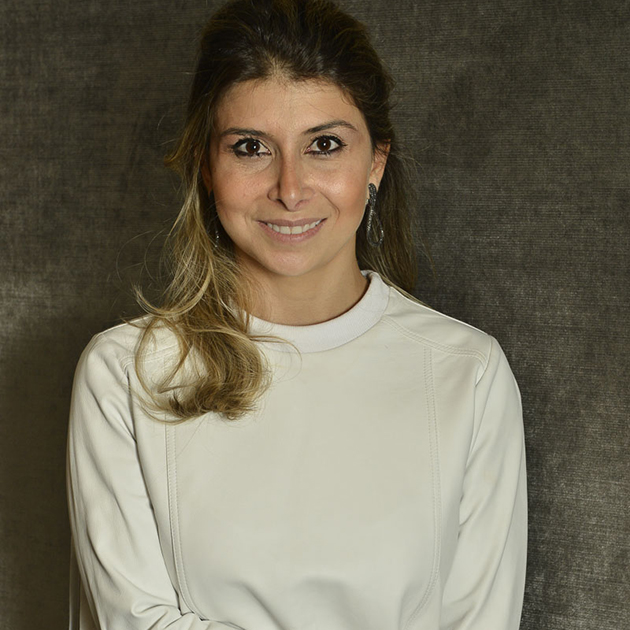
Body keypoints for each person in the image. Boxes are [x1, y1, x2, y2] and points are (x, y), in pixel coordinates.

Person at [66, 0, 527, 628]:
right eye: (251, 147)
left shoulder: (467, 374)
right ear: (207, 166)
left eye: (324, 145)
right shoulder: (126, 374)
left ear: (376, 163)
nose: (289, 188)